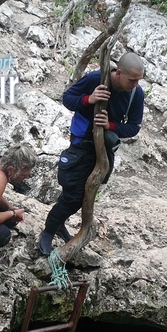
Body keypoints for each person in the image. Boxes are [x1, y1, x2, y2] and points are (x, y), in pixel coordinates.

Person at [38, 52, 145, 255]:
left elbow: (134, 127)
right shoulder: (96, 79)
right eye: (132, 80)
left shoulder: (136, 94)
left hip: (105, 150)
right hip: (82, 145)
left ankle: (58, 225)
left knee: (87, 193)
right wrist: (90, 99)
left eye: (138, 80)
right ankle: (48, 231)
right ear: (119, 73)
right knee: (73, 195)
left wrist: (110, 126)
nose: (136, 85)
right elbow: (68, 99)